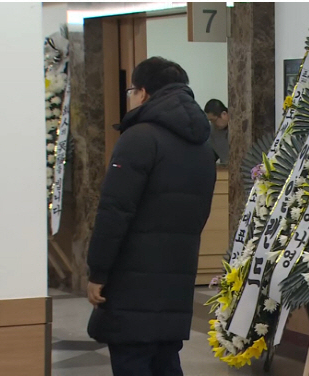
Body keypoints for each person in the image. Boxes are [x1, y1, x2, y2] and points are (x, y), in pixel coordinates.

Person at [86, 56, 216, 376]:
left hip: (132, 283)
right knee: (166, 362)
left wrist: (97, 271)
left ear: (143, 92)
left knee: (133, 360)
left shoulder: (139, 137)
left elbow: (114, 212)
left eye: (131, 90)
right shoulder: (202, 146)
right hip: (178, 277)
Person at [203, 99, 229, 165]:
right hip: (225, 170)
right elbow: (211, 155)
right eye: (210, 121)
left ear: (224, 114)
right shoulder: (212, 130)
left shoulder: (240, 127)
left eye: (214, 120)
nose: (213, 123)